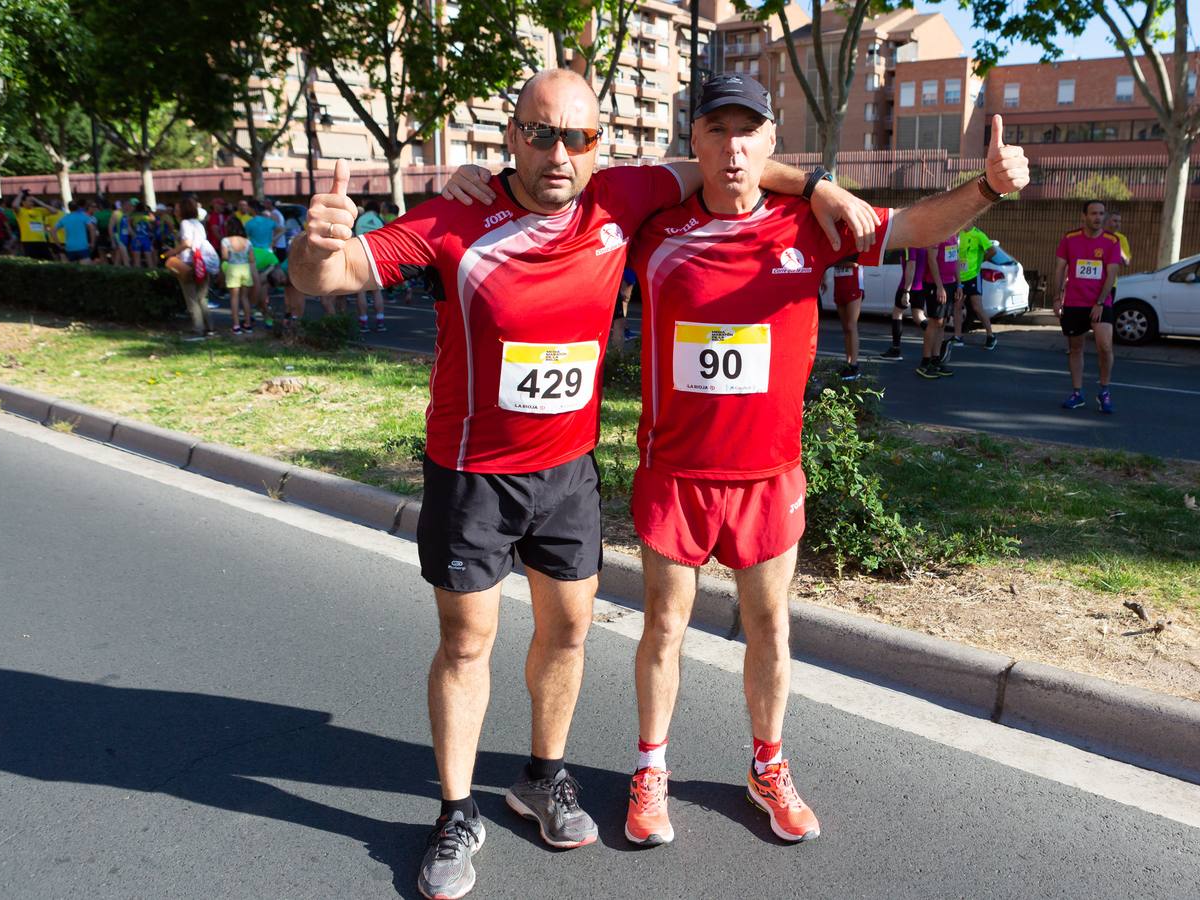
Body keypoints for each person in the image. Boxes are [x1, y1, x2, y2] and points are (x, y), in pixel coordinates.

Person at [290, 66, 877, 900]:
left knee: (567, 635)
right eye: (540, 133)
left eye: (579, 137)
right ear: (511, 137)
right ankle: (456, 812)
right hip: (471, 473)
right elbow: (335, 276)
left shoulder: (622, 196)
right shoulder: (458, 215)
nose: (559, 153)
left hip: (567, 473)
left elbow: (729, 164)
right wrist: (313, 251)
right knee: (467, 643)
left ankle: (542, 777)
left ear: (598, 145)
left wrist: (817, 184)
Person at [621, 74, 1029, 850]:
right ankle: (650, 770)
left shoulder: (806, 224)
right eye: (715, 130)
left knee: (770, 625)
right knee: (663, 626)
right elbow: (571, 198)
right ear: (694, 141)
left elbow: (912, 227)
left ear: (772, 140)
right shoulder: (656, 226)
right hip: (675, 473)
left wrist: (986, 189)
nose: (732, 146)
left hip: (768, 477)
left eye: (749, 131)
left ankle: (766, 766)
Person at [1051, 199, 1122, 413]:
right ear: (1084, 216)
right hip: (1074, 302)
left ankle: (1104, 390)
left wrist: (1100, 302)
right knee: (1075, 348)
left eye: (1101, 213)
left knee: (1105, 346)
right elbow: (1060, 268)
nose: (1098, 218)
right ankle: (1077, 392)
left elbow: (1111, 274)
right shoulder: (1070, 238)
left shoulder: (1111, 241)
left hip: (1101, 303)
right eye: (1093, 213)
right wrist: (1057, 297)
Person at [164, 196, 219, 339]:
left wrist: (172, 252)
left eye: (176, 209)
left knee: (191, 298)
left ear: (183, 210)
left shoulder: (185, 223)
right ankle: (210, 328)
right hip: (202, 263)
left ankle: (198, 329)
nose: (174, 212)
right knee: (202, 298)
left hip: (188, 263)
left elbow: (187, 243)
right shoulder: (198, 224)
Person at [948, 224, 998, 349]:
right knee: (957, 306)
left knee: (977, 307)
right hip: (960, 277)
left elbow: (993, 251)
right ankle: (958, 336)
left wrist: (981, 260)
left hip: (973, 276)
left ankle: (991, 336)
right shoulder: (958, 234)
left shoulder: (979, 235)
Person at [916, 234, 958, 378]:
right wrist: (939, 286)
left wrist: (959, 284)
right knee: (934, 322)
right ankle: (925, 362)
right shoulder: (938, 234)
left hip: (950, 283)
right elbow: (931, 260)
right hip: (935, 284)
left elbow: (955, 260)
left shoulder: (954, 234)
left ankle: (936, 360)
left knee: (943, 322)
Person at [878, 248, 924, 360]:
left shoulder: (910, 243)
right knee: (918, 317)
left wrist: (906, 291)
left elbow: (911, 265)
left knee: (897, 313)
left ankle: (895, 349)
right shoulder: (923, 242)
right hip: (920, 285)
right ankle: (938, 341)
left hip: (907, 285)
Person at [352, 199, 387, 332]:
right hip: (377, 259)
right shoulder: (379, 220)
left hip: (360, 257)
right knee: (376, 291)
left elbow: (353, 237)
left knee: (361, 291)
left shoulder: (359, 220)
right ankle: (380, 321)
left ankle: (363, 321)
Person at [244, 204, 282, 327]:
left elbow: (245, 239)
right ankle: (265, 317)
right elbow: (282, 229)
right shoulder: (269, 222)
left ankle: (252, 315)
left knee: (252, 289)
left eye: (249, 208)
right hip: (268, 255)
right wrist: (273, 241)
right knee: (263, 289)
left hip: (253, 256)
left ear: (253, 210)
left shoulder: (249, 223)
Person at [220, 216, 259, 334]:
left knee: (234, 298)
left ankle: (236, 326)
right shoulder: (247, 241)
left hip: (233, 269)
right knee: (245, 298)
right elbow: (252, 258)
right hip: (245, 269)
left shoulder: (225, 241)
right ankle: (248, 324)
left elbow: (225, 257)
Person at [830, 261, 864, 380]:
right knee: (845, 328)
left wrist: (838, 261)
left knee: (851, 325)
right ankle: (848, 362)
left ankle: (854, 365)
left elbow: (855, 263)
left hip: (854, 285)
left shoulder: (856, 244)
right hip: (839, 286)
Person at [15, 191, 56, 260]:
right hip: (28, 241)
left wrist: (38, 202)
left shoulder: (39, 210)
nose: (32, 203)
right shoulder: (21, 211)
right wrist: (20, 194)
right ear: (23, 202)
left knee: (49, 261)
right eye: (29, 201)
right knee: (32, 262)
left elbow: (54, 211)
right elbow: (15, 205)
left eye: (32, 201)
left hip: (42, 241)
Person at [128, 203, 157, 268]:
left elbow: (128, 224)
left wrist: (133, 233)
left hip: (136, 238)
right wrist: (149, 212)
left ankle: (138, 276)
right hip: (146, 238)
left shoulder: (133, 217)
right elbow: (153, 222)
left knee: (137, 261)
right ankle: (152, 275)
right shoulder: (147, 217)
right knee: (149, 260)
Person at [109, 199, 130, 267]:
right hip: (118, 238)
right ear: (124, 206)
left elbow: (128, 227)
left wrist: (134, 235)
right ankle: (130, 274)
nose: (130, 207)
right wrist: (112, 241)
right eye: (129, 206)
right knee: (126, 258)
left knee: (118, 259)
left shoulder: (126, 214)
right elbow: (110, 228)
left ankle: (114, 272)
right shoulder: (116, 213)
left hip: (125, 238)